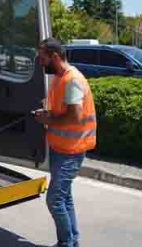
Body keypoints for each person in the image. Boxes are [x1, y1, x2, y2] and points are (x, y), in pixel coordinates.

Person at [33, 37, 97, 247]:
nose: (39, 61)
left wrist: (48, 119)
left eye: (42, 58)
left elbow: (75, 116)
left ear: (55, 56)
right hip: (60, 149)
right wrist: (47, 113)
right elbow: (62, 111)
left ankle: (66, 243)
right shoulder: (60, 77)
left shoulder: (73, 80)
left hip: (71, 151)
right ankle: (71, 241)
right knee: (65, 197)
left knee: (55, 199)